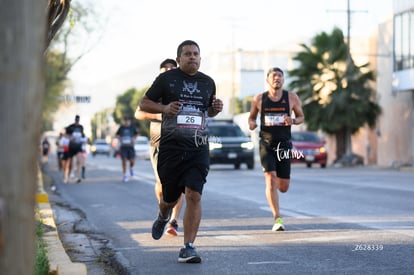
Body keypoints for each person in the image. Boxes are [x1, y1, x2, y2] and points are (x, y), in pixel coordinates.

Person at [139, 40, 223, 263]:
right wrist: (164, 108)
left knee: (194, 195)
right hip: (171, 148)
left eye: (196, 54)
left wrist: (214, 110)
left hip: (198, 148)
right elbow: (144, 103)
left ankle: (188, 246)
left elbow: (207, 112)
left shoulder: (208, 82)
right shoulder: (167, 79)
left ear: (200, 58)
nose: (192, 57)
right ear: (178, 59)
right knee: (169, 199)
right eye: (187, 54)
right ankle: (162, 216)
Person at [248, 67, 304, 231]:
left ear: (283, 80)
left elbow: (301, 117)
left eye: (280, 76)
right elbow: (251, 118)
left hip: (284, 145)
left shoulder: (291, 97)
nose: (277, 79)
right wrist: (252, 124)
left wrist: (292, 121)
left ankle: (279, 189)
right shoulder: (259, 99)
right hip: (266, 144)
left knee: (283, 187)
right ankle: (277, 218)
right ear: (268, 80)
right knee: (270, 179)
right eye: (274, 76)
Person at [135, 58, 184, 237]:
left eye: (172, 68)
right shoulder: (155, 91)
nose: (168, 71)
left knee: (180, 183)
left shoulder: (182, 89)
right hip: (158, 142)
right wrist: (160, 112)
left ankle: (173, 221)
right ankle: (164, 211)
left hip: (179, 141)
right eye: (165, 69)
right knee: (162, 184)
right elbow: (138, 112)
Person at [115, 116, 138, 182]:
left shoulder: (132, 128)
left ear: (129, 121)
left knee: (132, 161)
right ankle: (125, 175)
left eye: (127, 121)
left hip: (130, 147)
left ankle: (131, 168)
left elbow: (136, 134)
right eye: (125, 121)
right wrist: (119, 138)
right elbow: (116, 135)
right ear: (123, 121)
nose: (126, 122)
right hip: (123, 147)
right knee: (124, 161)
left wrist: (134, 139)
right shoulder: (121, 128)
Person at [64, 115, 85, 183]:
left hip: (78, 146)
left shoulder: (81, 127)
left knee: (79, 161)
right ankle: (66, 177)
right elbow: (65, 135)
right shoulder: (71, 127)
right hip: (71, 146)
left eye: (78, 120)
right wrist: (70, 138)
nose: (77, 122)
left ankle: (77, 177)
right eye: (76, 120)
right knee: (69, 162)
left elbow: (82, 135)